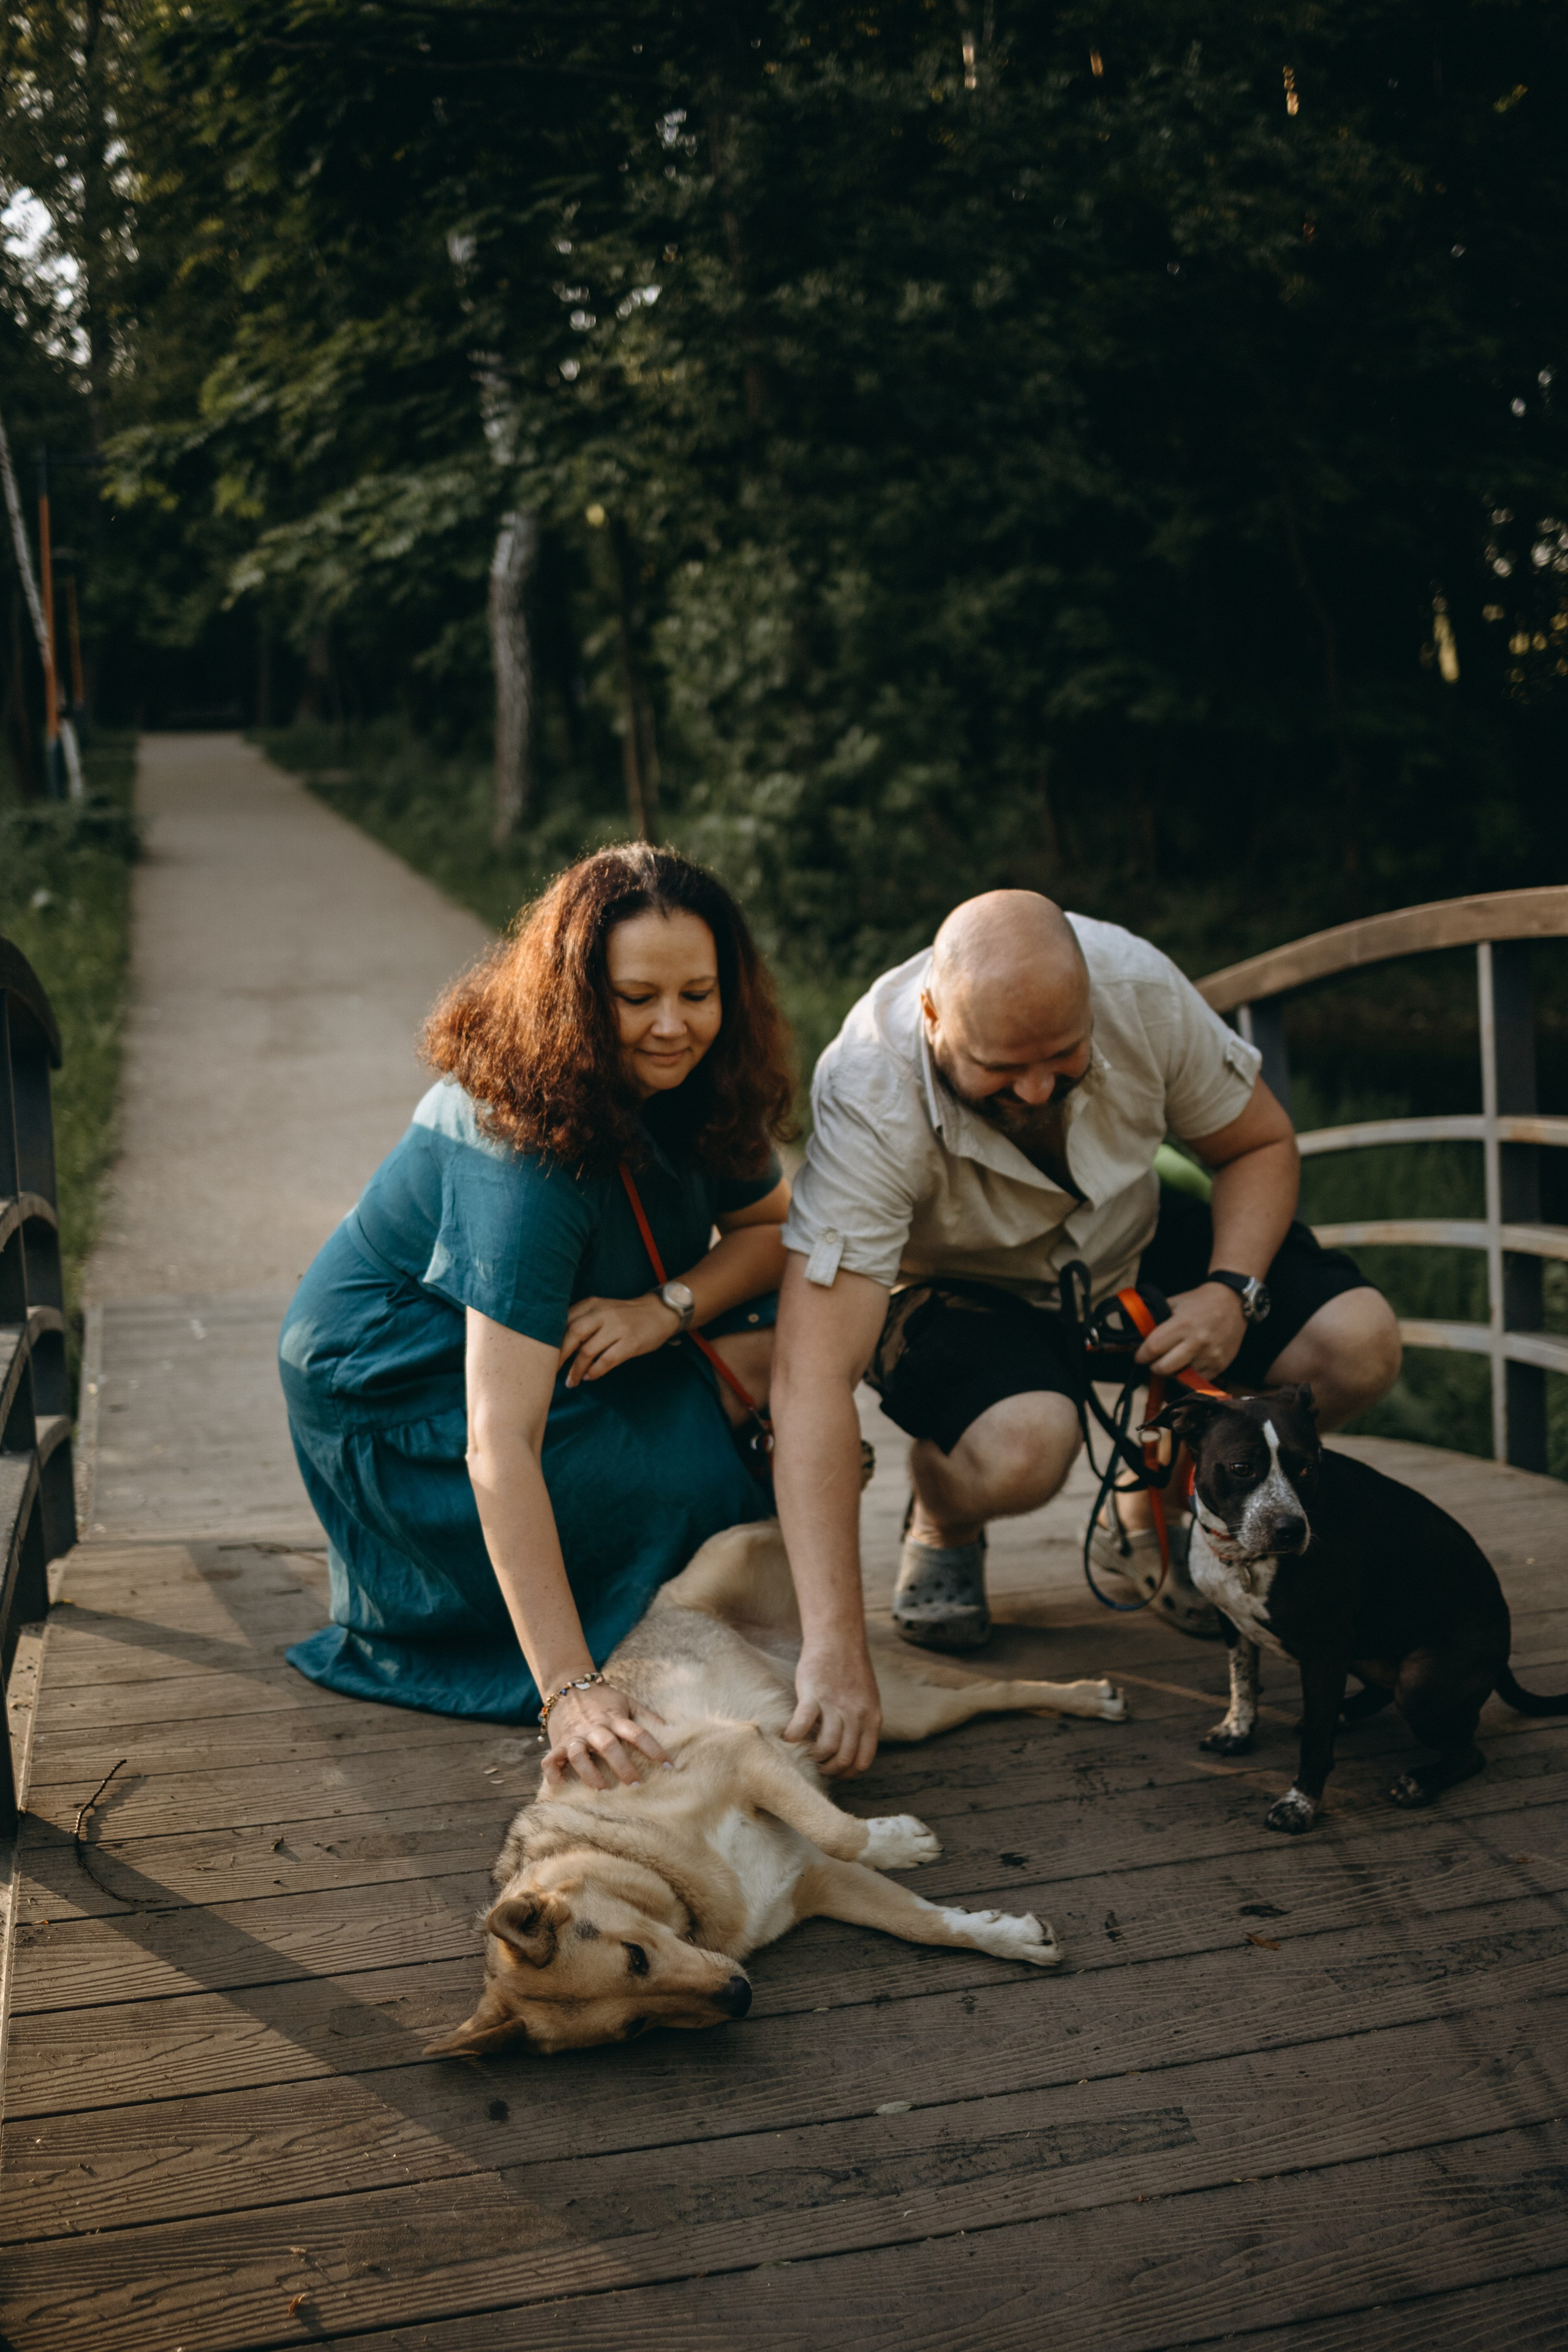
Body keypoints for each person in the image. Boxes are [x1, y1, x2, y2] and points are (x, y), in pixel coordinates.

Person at [769, 891, 1402, 1770]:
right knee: (1028, 1445)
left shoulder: (1138, 985)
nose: (1035, 1089)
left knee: (1358, 1342)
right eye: (1000, 1067)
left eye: (1064, 1056)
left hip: (1125, 1238)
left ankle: (1175, 1500)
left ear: (1093, 1007)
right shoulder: (867, 1087)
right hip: (957, 1282)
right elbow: (809, 1378)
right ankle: (946, 1512)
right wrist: (834, 1649)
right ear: (930, 1016)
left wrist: (1230, 1291)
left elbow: (1256, 1144)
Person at [279, 845, 799, 1792]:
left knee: (782, 1343)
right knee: (684, 1478)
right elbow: (497, 1441)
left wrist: (666, 1309)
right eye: (635, 997)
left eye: (699, 992)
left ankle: (697, 1554)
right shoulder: (523, 1154)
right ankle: (588, 1611)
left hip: (564, 1338)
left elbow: (772, 1233)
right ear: (576, 997)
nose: (673, 1026)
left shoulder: (705, 1078)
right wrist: (569, 1689)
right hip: (397, 1390)